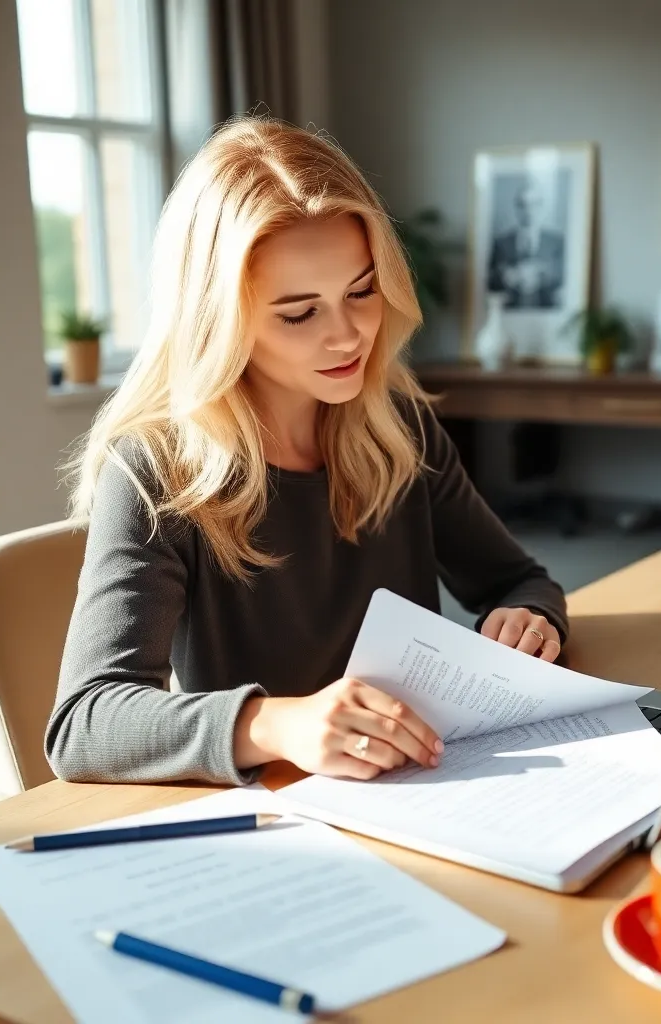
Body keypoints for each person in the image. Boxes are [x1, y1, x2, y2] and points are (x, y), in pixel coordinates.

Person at [45, 117, 568, 789]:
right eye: (299, 314)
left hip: (422, 787)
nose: (348, 336)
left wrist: (528, 619)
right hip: (274, 816)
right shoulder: (156, 469)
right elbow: (86, 722)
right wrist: (278, 724)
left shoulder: (397, 424)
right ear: (219, 324)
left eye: (361, 291)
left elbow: (517, 580)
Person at [487, 182, 564, 308]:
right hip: (510, 312)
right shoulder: (501, 242)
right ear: (516, 208)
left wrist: (541, 274)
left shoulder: (557, 242)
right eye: (523, 205)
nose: (528, 211)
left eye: (534, 205)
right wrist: (506, 278)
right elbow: (488, 280)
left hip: (548, 312)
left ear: (541, 207)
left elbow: (564, 275)